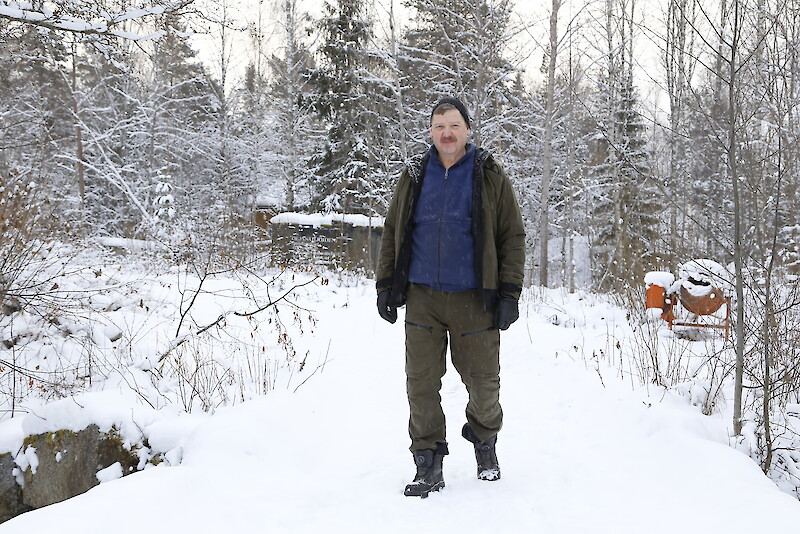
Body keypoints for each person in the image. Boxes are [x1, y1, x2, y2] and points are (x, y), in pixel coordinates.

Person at [375, 96, 526, 498]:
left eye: (454, 125)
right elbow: (393, 231)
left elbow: (512, 236)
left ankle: (483, 438)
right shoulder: (414, 175)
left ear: (467, 131)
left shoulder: (489, 175)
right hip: (422, 296)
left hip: (474, 298)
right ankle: (428, 461)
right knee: (420, 383)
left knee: (483, 383)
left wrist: (510, 291)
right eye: (439, 124)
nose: (447, 132)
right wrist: (386, 284)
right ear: (430, 131)